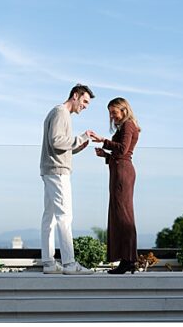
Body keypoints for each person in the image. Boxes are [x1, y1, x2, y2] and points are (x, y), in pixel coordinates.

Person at [40, 84, 98, 275]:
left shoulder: (56, 112)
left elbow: (58, 145)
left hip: (50, 170)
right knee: (65, 217)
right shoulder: (61, 113)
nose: (85, 106)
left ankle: (49, 263)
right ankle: (69, 264)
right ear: (75, 96)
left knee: (49, 218)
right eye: (85, 101)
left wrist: (76, 148)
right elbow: (56, 141)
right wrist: (80, 138)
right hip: (58, 172)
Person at [92, 98, 141, 275]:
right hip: (118, 170)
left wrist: (103, 140)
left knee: (123, 216)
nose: (112, 116)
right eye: (110, 113)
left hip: (123, 173)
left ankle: (128, 260)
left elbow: (122, 150)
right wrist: (105, 155)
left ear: (124, 110)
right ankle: (127, 260)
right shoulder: (124, 126)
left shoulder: (128, 125)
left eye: (114, 112)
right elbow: (120, 153)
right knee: (119, 214)